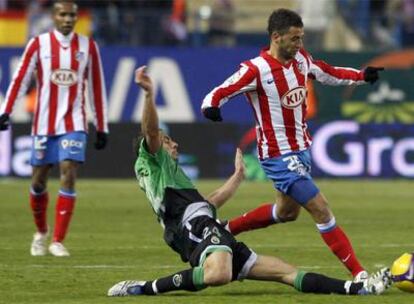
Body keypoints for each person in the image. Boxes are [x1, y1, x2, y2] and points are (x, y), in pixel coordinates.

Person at [106, 66, 391, 297]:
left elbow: (207, 203)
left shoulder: (171, 180)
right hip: (196, 230)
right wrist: (149, 95)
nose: (174, 145)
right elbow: (152, 131)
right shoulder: (153, 160)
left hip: (204, 226)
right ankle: (143, 288)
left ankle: (359, 289)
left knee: (285, 272)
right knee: (218, 274)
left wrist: (237, 177)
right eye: (169, 142)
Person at [201, 8, 384, 281]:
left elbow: (326, 72)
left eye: (301, 38)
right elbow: (218, 92)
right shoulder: (255, 70)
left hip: (301, 149)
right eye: (294, 38)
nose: (299, 44)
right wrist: (211, 107)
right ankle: (360, 274)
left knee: (287, 212)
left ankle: (225, 228)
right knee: (320, 208)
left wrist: (361, 74)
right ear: (276, 37)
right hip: (277, 154)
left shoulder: (301, 59)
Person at [0, 0, 108, 257]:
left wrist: (101, 126)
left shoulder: (88, 47)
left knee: (68, 172)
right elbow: (21, 78)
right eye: (63, 15)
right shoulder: (39, 44)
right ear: (54, 17)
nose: (68, 19)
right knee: (38, 181)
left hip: (75, 122)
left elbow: (96, 88)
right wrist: (6, 110)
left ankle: (58, 240)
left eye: (72, 15)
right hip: (44, 124)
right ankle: (40, 232)